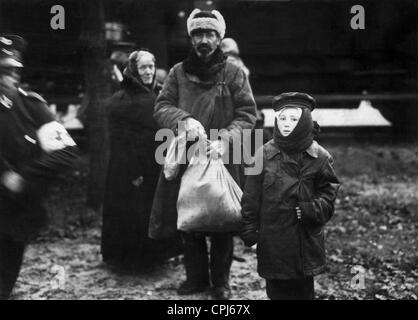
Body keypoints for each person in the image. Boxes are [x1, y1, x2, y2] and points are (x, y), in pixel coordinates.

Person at [150, 9, 256, 300]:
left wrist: (226, 141)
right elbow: (162, 106)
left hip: (223, 156)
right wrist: (183, 120)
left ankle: (220, 282)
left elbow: (248, 114)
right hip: (187, 156)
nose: (204, 40)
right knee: (190, 218)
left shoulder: (233, 72)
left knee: (222, 219)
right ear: (191, 38)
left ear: (220, 38)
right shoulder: (178, 73)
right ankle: (196, 278)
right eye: (198, 34)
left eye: (210, 34)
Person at [0, 35, 79, 299]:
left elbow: (66, 151)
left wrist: (23, 177)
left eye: (13, 71)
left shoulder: (31, 107)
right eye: (3, 71)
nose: (9, 78)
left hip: (13, 213)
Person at [240, 92, 340, 300]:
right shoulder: (263, 154)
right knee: (276, 292)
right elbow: (250, 196)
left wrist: (311, 209)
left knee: (303, 292)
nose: (287, 124)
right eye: (282, 118)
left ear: (305, 122)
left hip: (304, 240)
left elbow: (329, 195)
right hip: (273, 239)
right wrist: (250, 230)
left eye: (294, 119)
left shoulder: (319, 157)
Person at [101, 50, 181, 271]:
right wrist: (134, 171)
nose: (148, 71)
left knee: (152, 210)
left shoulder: (158, 94)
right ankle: (130, 260)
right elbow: (122, 140)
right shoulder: (122, 100)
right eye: (143, 67)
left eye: (151, 66)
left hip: (155, 163)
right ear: (134, 69)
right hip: (130, 166)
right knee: (132, 212)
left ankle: (155, 256)